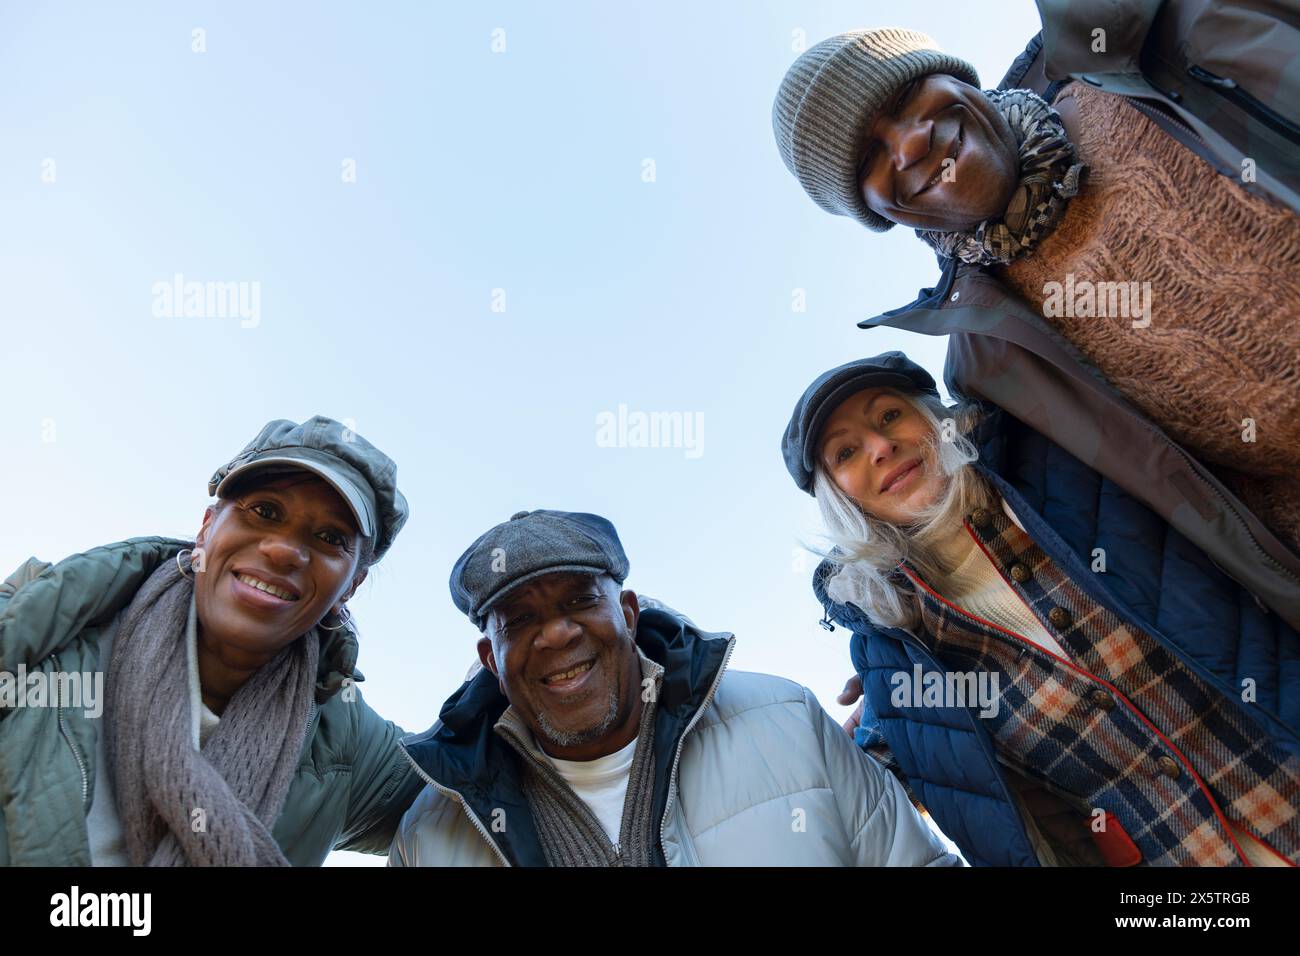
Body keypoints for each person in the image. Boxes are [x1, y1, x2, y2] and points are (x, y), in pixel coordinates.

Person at [771, 7, 1300, 631]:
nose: (910, 143)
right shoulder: (989, 368)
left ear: (953, 76)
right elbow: (1036, 534)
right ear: (875, 210)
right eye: (869, 159)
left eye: (906, 95)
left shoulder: (1144, 52)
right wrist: (888, 664)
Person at [782, 351, 1299, 867]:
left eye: (890, 415)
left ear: (935, 417)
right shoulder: (901, 648)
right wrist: (864, 731)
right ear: (839, 499)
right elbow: (864, 806)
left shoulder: (1061, 476)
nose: (879, 446)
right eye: (845, 452)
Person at [389, 508, 961, 866]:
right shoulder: (433, 829)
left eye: (581, 600)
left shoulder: (787, 719)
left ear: (629, 614)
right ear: (490, 657)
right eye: (518, 622)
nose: (556, 633)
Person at [0, 416, 423, 865]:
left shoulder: (347, 742)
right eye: (264, 510)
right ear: (207, 527)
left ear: (351, 586)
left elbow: (476, 784)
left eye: (330, 537)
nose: (284, 550)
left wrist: (502, 637)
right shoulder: (41, 630)